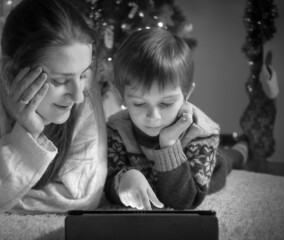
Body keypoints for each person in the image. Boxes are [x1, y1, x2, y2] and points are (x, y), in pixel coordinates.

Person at [0, 0, 107, 220]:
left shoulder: (86, 92)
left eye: (83, 74)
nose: (78, 95)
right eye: (60, 81)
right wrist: (28, 133)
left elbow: (84, 198)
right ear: (11, 70)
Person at [104, 28, 248, 210]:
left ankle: (239, 152)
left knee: (226, 161)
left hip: (206, 166)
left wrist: (169, 144)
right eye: (139, 104)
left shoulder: (202, 135)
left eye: (166, 103)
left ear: (187, 94)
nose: (153, 117)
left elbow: (183, 201)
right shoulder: (117, 129)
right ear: (122, 97)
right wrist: (123, 179)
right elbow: (107, 182)